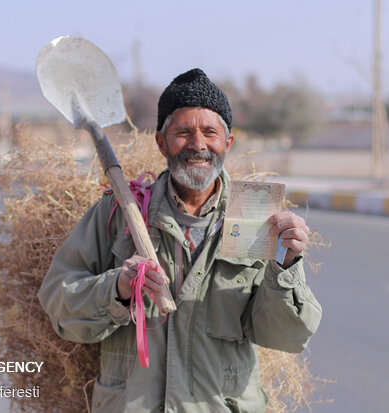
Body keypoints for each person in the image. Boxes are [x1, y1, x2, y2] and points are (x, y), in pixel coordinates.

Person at [38, 68, 322, 413]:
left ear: (227, 144)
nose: (198, 145)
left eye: (210, 133)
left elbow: (285, 336)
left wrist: (286, 266)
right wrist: (117, 289)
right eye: (183, 132)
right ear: (162, 143)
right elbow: (58, 305)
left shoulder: (257, 219)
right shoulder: (117, 214)